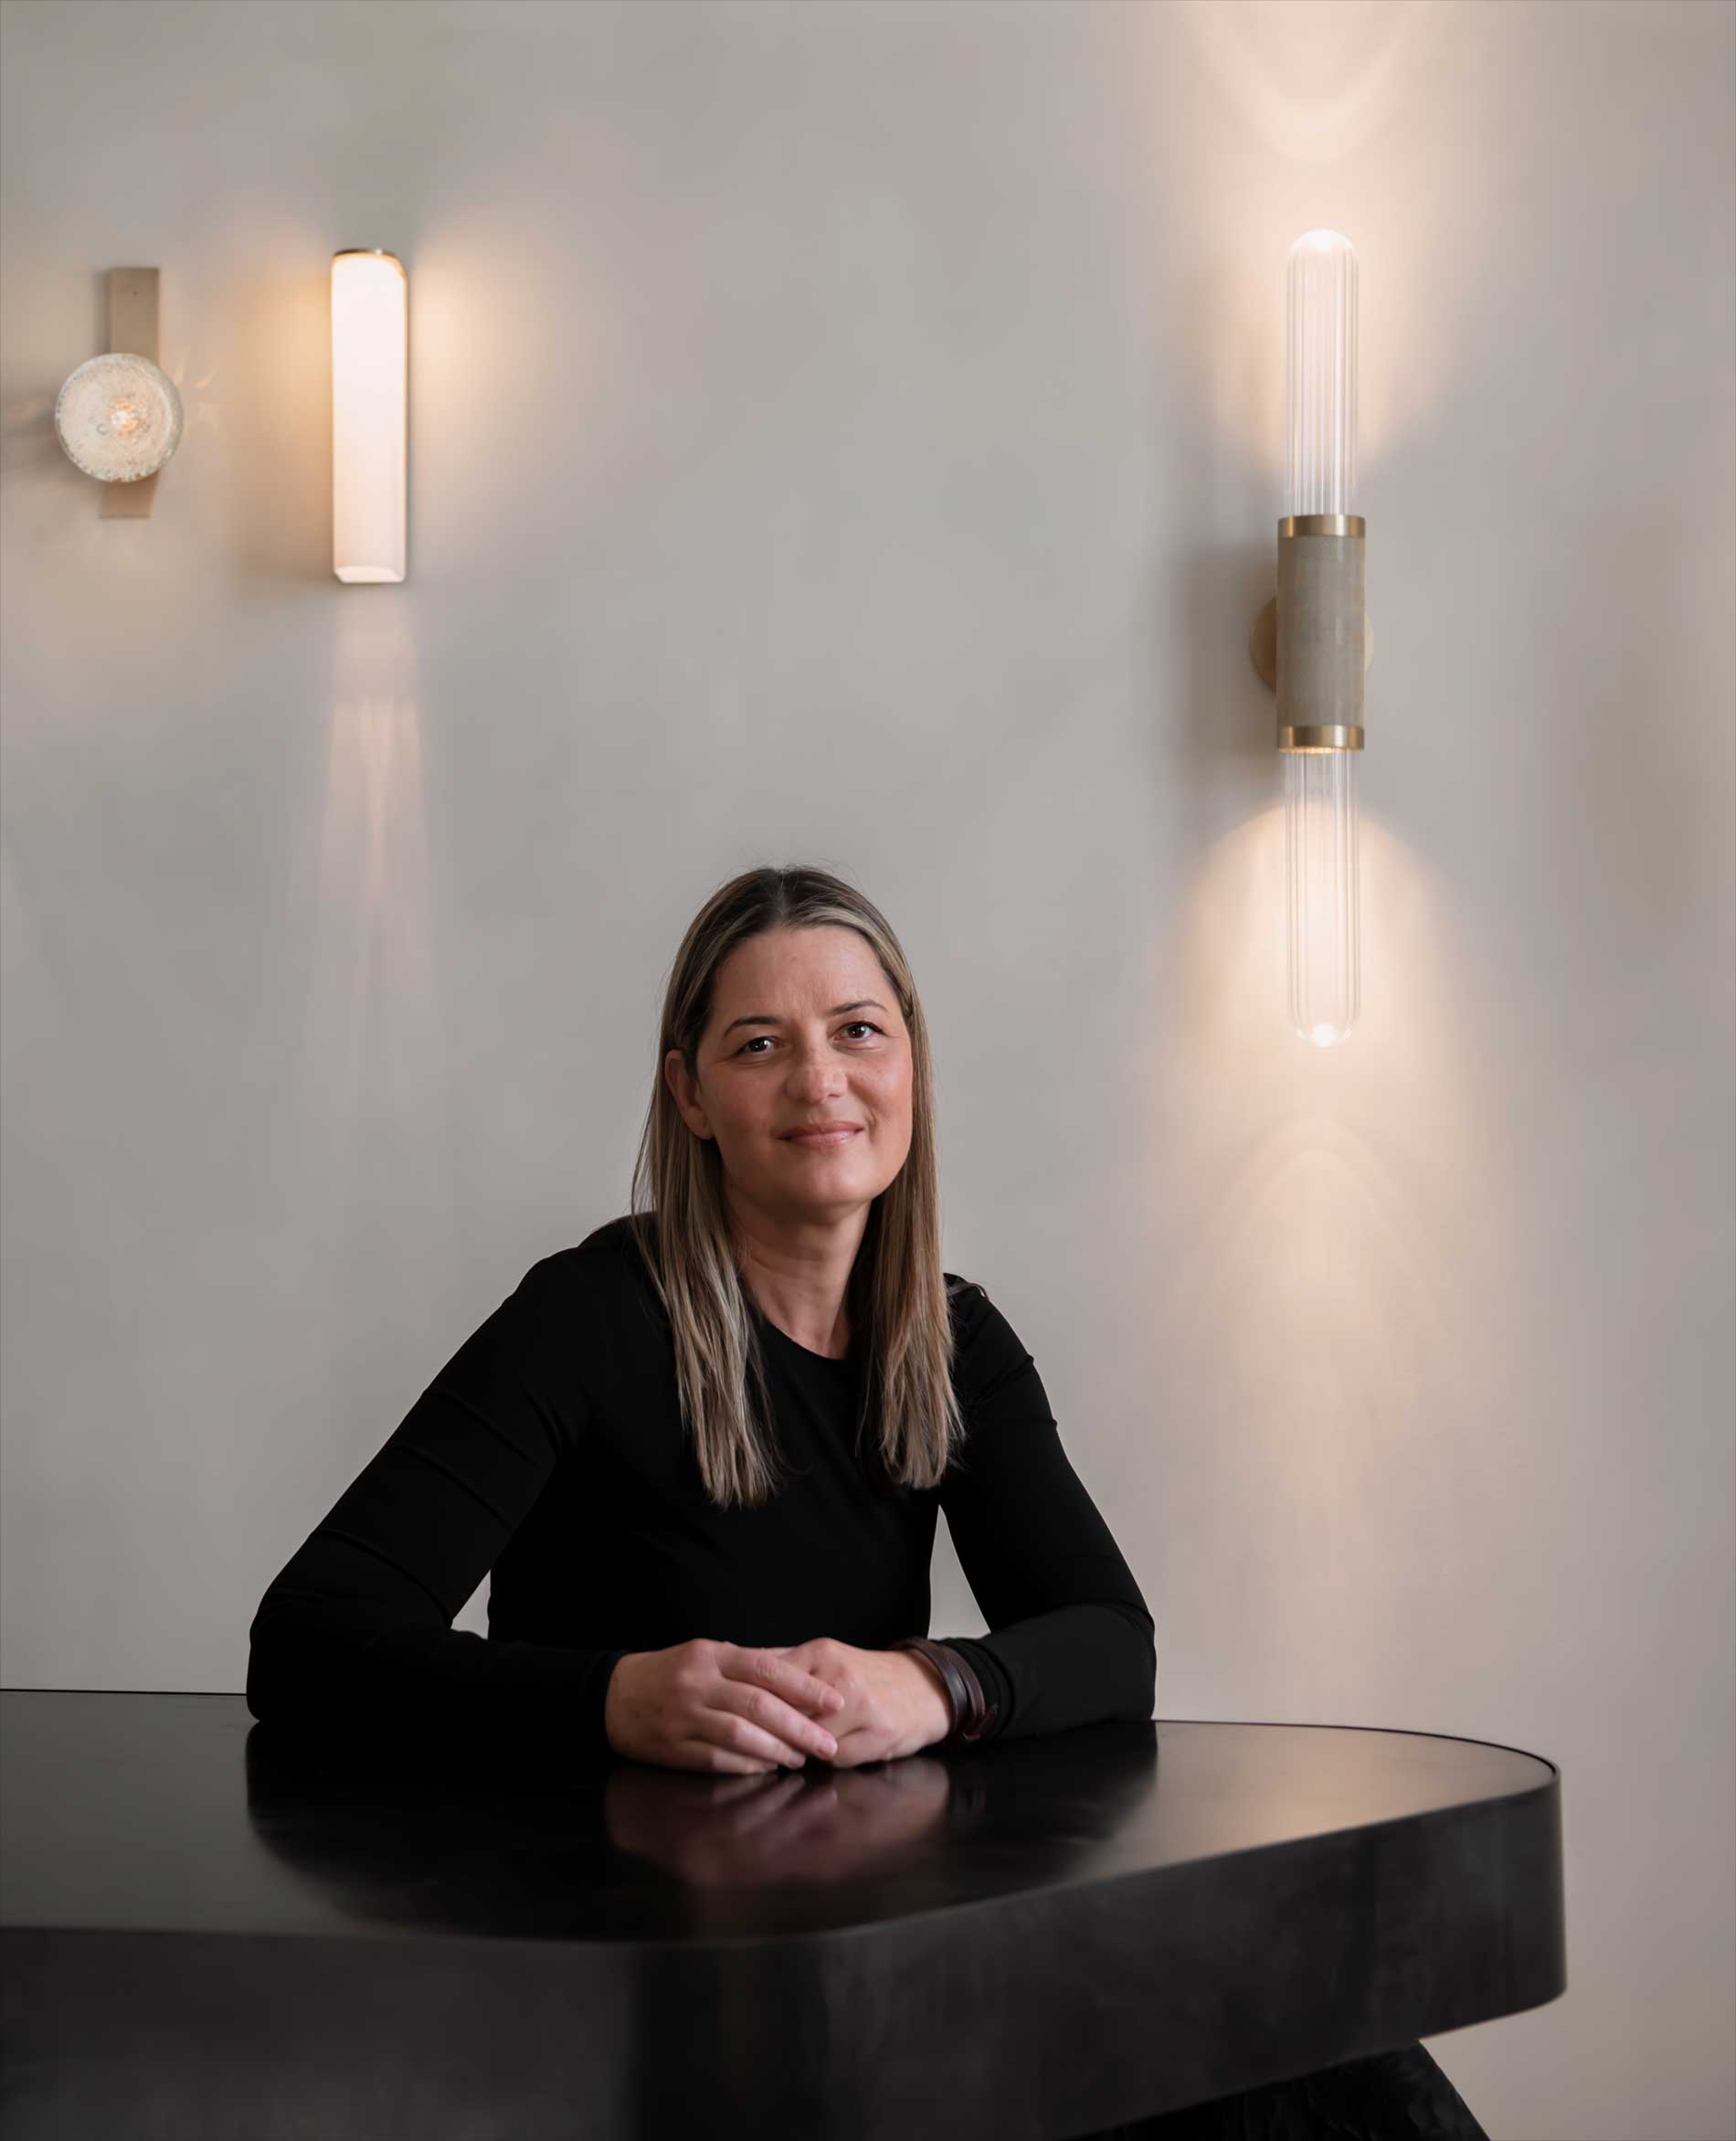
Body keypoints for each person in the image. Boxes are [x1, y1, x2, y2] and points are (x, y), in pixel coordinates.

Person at [246, 861, 1485, 2137]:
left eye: (857, 1033)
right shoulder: (587, 1318)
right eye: (760, 1044)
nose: (820, 1081)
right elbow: (308, 1641)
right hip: (626, 1989)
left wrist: (937, 1682)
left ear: (911, 1067)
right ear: (691, 1095)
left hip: (874, 1956)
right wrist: (614, 1697)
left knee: (1315, 2018)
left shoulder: (954, 1343)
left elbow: (1114, 1642)